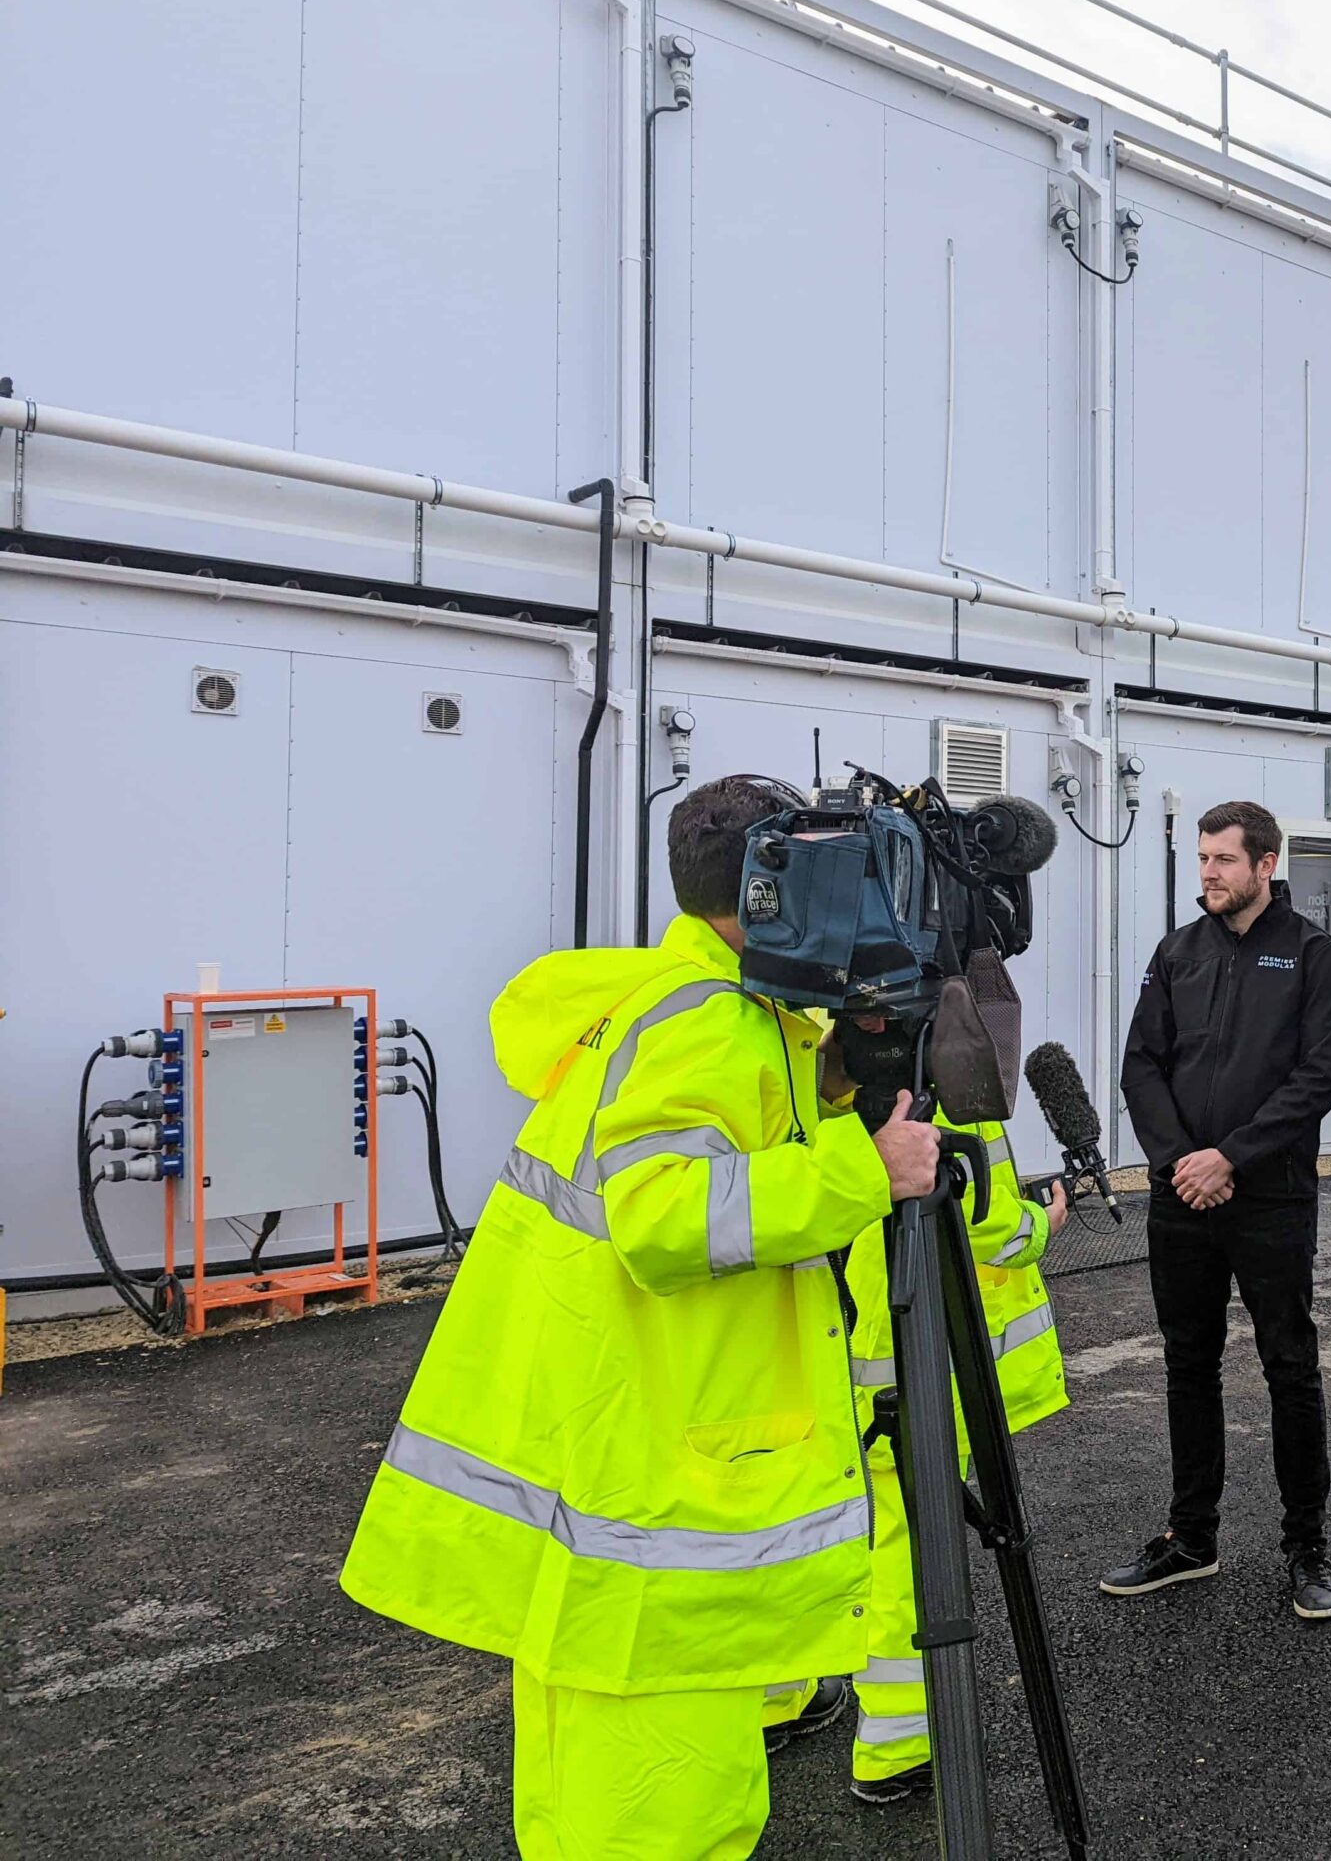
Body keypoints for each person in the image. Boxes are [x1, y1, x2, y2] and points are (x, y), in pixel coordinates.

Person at [338, 774, 942, 1861]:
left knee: (584, 1807)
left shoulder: (687, 998)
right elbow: (663, 1214)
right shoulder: (706, 1022)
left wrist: (836, 1076)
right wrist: (867, 1164)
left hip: (609, 1457)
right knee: (675, 1811)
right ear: (774, 883)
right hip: (660, 1494)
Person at [1105, 798, 1331, 1622]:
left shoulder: (1314, 955)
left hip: (1270, 1197)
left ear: (1264, 865)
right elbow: (1142, 1066)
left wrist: (1231, 1157)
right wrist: (1181, 1163)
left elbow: (1317, 1080)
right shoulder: (1176, 952)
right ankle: (1190, 1539)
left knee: (1289, 1367)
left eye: (1222, 860)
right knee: (1188, 1365)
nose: (1207, 873)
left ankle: (1306, 1549)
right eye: (1203, 859)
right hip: (1184, 1199)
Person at [824, 1012, 1071, 1805]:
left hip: (820, 1346)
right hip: (905, 1344)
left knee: (815, 1526)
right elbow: (991, 1220)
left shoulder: (814, 1057)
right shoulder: (949, 1070)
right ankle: (897, 1742)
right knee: (909, 1539)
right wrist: (1045, 1223)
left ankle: (780, 1697)